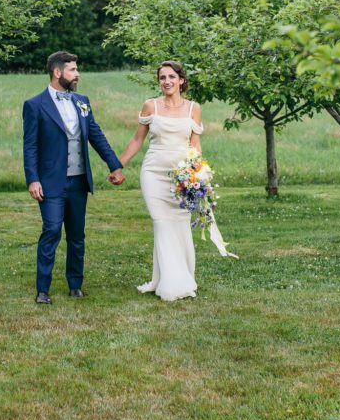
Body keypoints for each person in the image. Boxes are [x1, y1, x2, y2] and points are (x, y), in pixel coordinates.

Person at [118, 61, 234, 302]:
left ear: (181, 80)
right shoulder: (151, 106)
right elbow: (138, 140)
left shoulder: (194, 108)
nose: (167, 81)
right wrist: (118, 165)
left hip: (183, 178)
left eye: (172, 76)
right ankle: (170, 285)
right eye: (162, 77)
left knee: (180, 225)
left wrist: (198, 172)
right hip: (154, 173)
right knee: (161, 223)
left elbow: (195, 144)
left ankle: (178, 278)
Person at [22, 51, 124, 305]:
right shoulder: (35, 105)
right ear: (58, 72)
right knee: (52, 230)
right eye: (72, 70)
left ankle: (75, 285)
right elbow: (30, 146)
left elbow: (96, 135)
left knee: (77, 235)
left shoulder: (82, 101)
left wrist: (115, 165)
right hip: (50, 182)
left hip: (79, 181)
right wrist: (32, 179)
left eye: (77, 70)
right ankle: (43, 290)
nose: (77, 74)